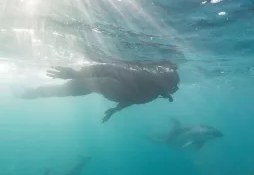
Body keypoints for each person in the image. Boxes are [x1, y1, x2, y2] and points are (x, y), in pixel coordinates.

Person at [21, 60, 180, 122]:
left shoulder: (153, 94)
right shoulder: (141, 77)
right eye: (171, 84)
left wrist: (115, 110)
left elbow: (132, 99)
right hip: (91, 82)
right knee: (59, 91)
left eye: (173, 86)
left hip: (98, 88)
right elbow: (106, 68)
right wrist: (75, 74)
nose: (172, 90)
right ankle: (26, 93)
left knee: (59, 91)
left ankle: (26, 94)